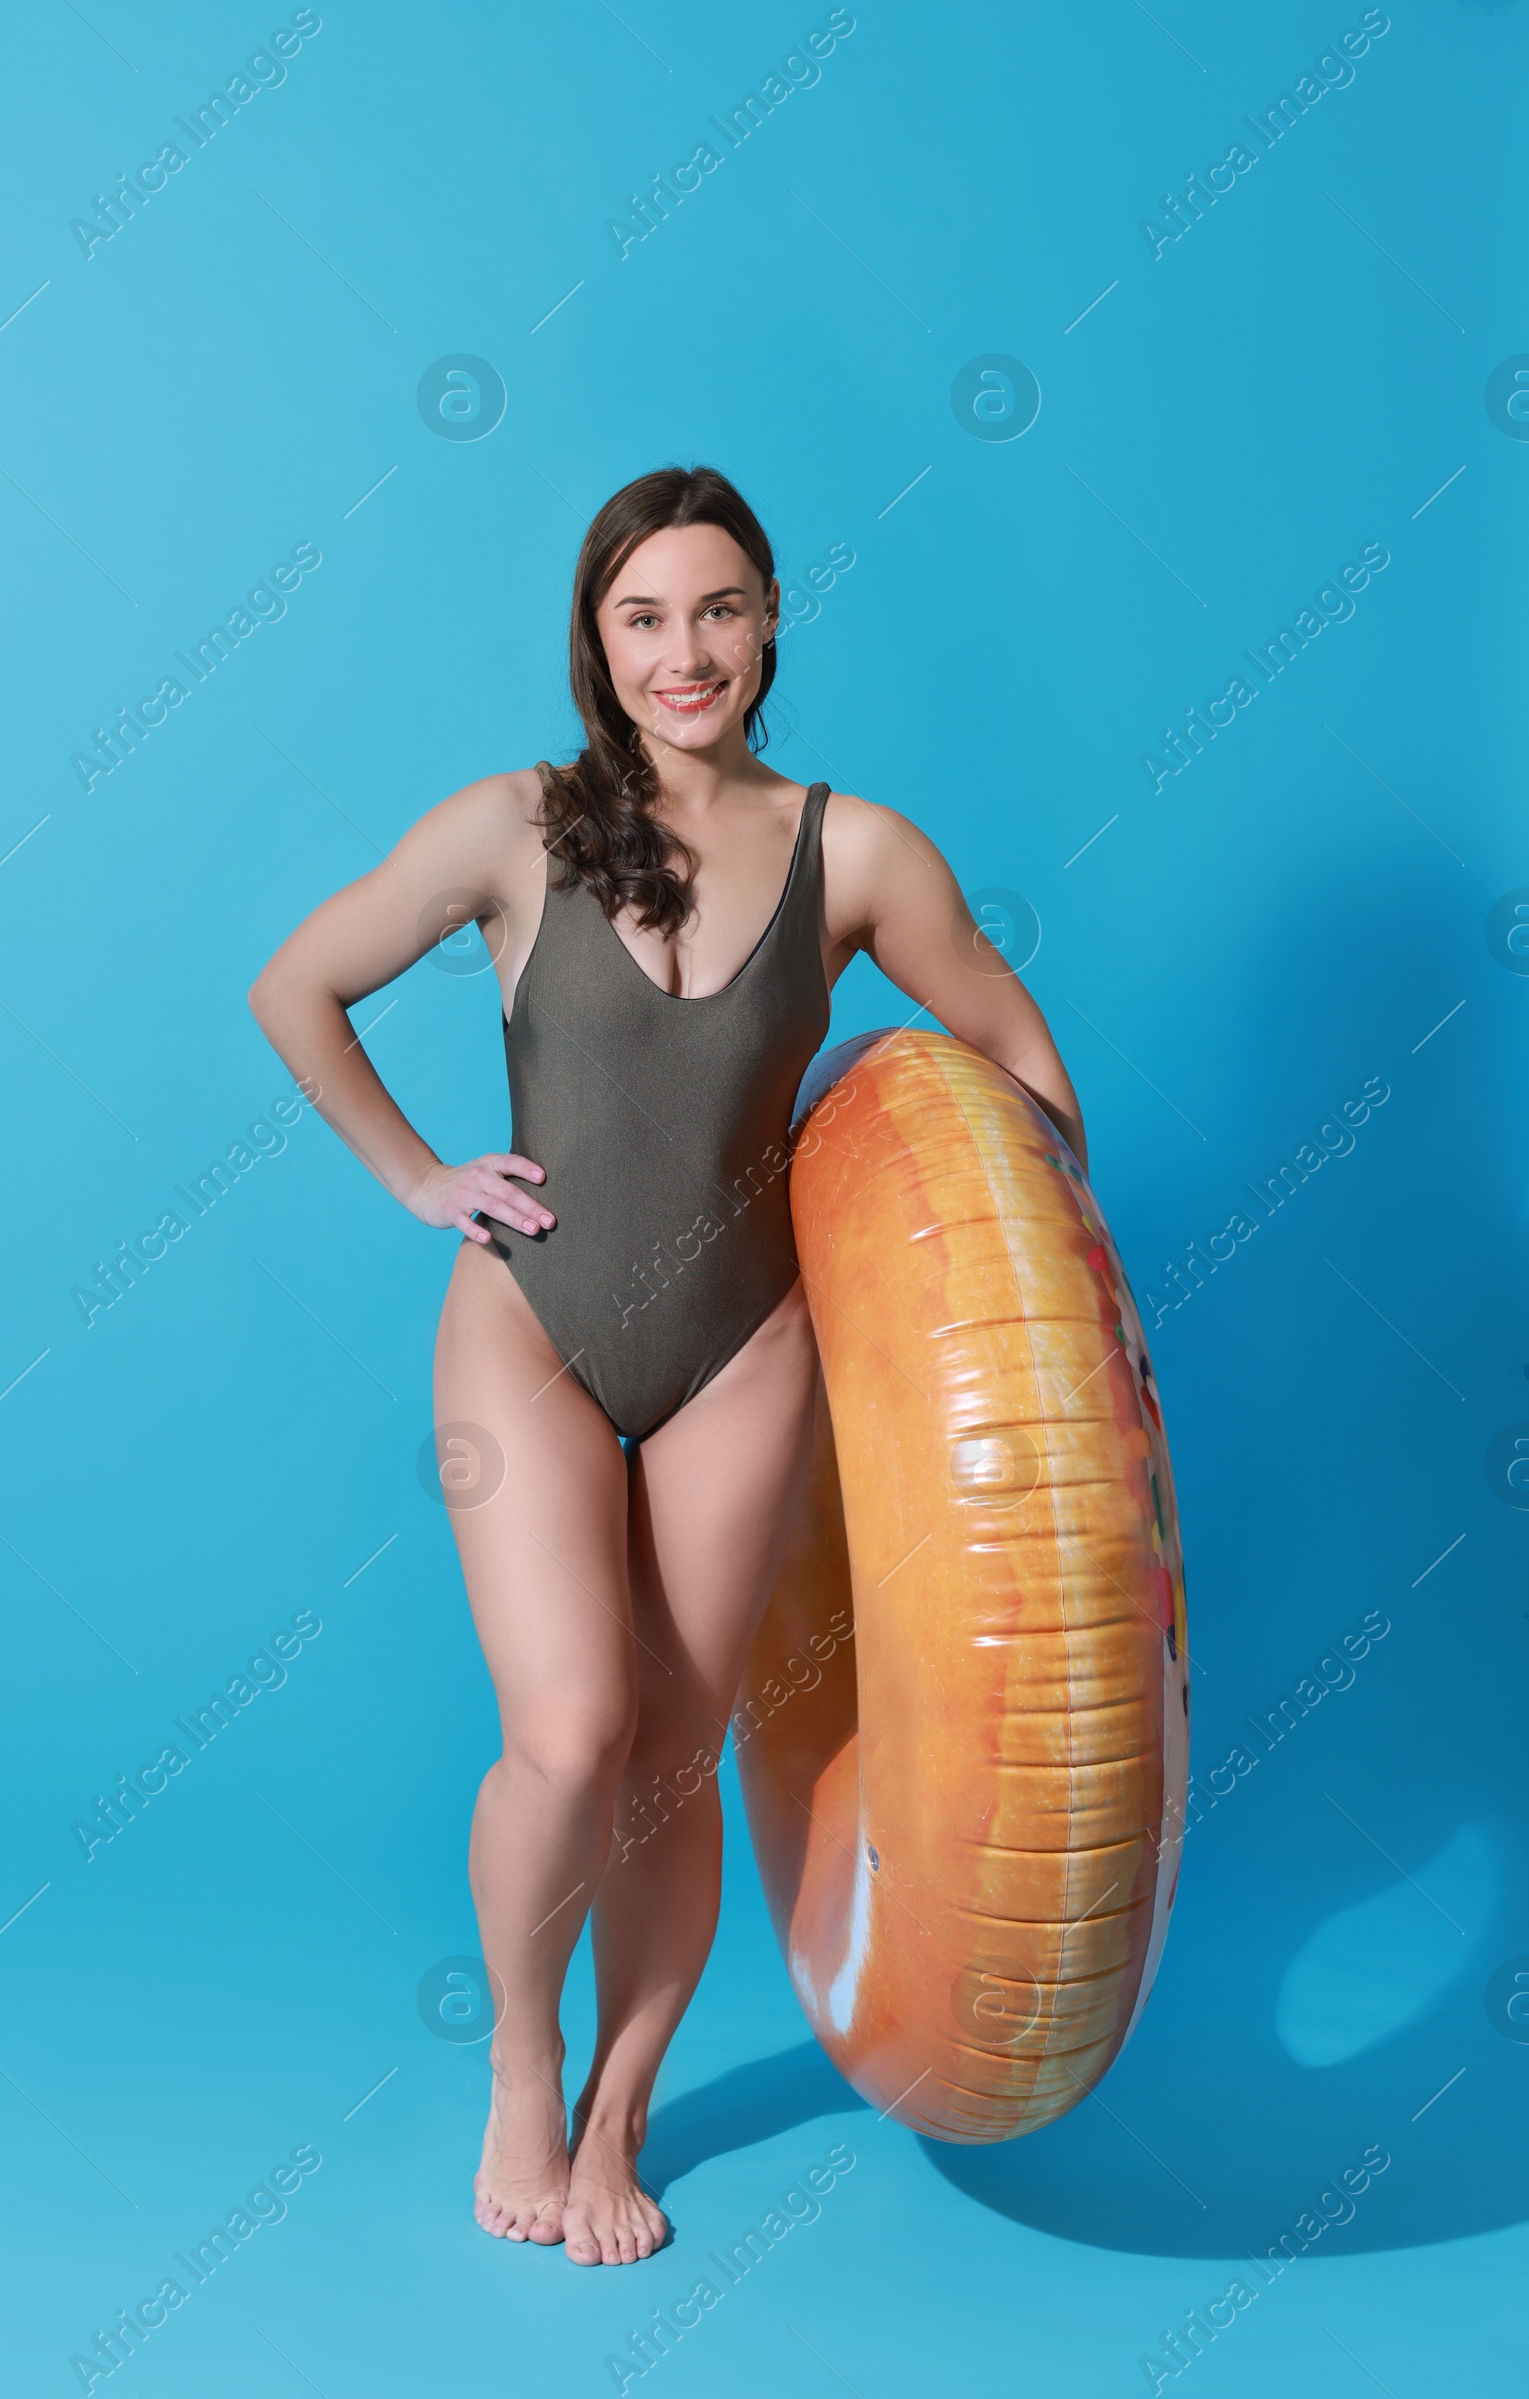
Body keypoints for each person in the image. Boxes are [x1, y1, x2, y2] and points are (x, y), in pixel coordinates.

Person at [248, 465, 1085, 2266]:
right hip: (532, 1325)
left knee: (670, 1759)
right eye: (645, 618)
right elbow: (294, 986)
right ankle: (527, 2064)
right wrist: (419, 1178)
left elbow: (1018, 1050)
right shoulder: (511, 826)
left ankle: (624, 2112)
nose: (683, 651)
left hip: (742, 1351)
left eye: (717, 610)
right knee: (568, 1735)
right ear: (598, 639)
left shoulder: (858, 853)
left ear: (772, 616)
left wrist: (1041, 1326)